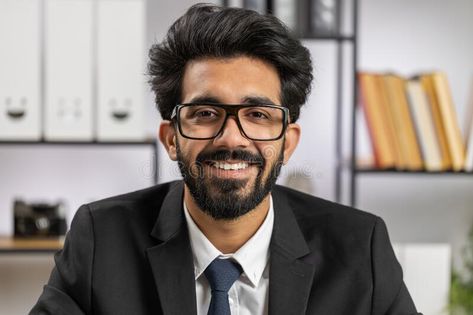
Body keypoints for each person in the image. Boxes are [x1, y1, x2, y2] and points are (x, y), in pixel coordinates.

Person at [31, 4, 421, 315]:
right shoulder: (101, 238)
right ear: (170, 138)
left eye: (258, 115)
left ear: (287, 143)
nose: (231, 138)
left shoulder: (359, 247)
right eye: (205, 114)